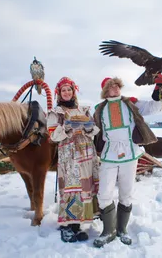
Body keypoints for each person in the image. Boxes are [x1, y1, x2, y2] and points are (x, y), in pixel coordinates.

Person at [92, 74, 162, 247]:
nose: (116, 89)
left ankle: (121, 230)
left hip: (130, 154)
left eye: (118, 85)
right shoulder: (98, 109)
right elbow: (89, 126)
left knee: (126, 193)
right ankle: (107, 231)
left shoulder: (131, 103)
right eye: (112, 86)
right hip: (109, 154)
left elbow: (153, 107)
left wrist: (160, 88)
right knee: (104, 194)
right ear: (105, 90)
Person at [47, 76, 100, 243]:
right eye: (63, 90)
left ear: (73, 91)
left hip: (86, 153)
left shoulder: (83, 110)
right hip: (69, 156)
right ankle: (68, 225)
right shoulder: (56, 113)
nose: (67, 92)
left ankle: (80, 224)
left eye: (69, 89)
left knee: (85, 188)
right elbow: (53, 136)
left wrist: (89, 127)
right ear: (59, 93)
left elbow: (93, 130)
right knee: (71, 189)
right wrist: (67, 127)